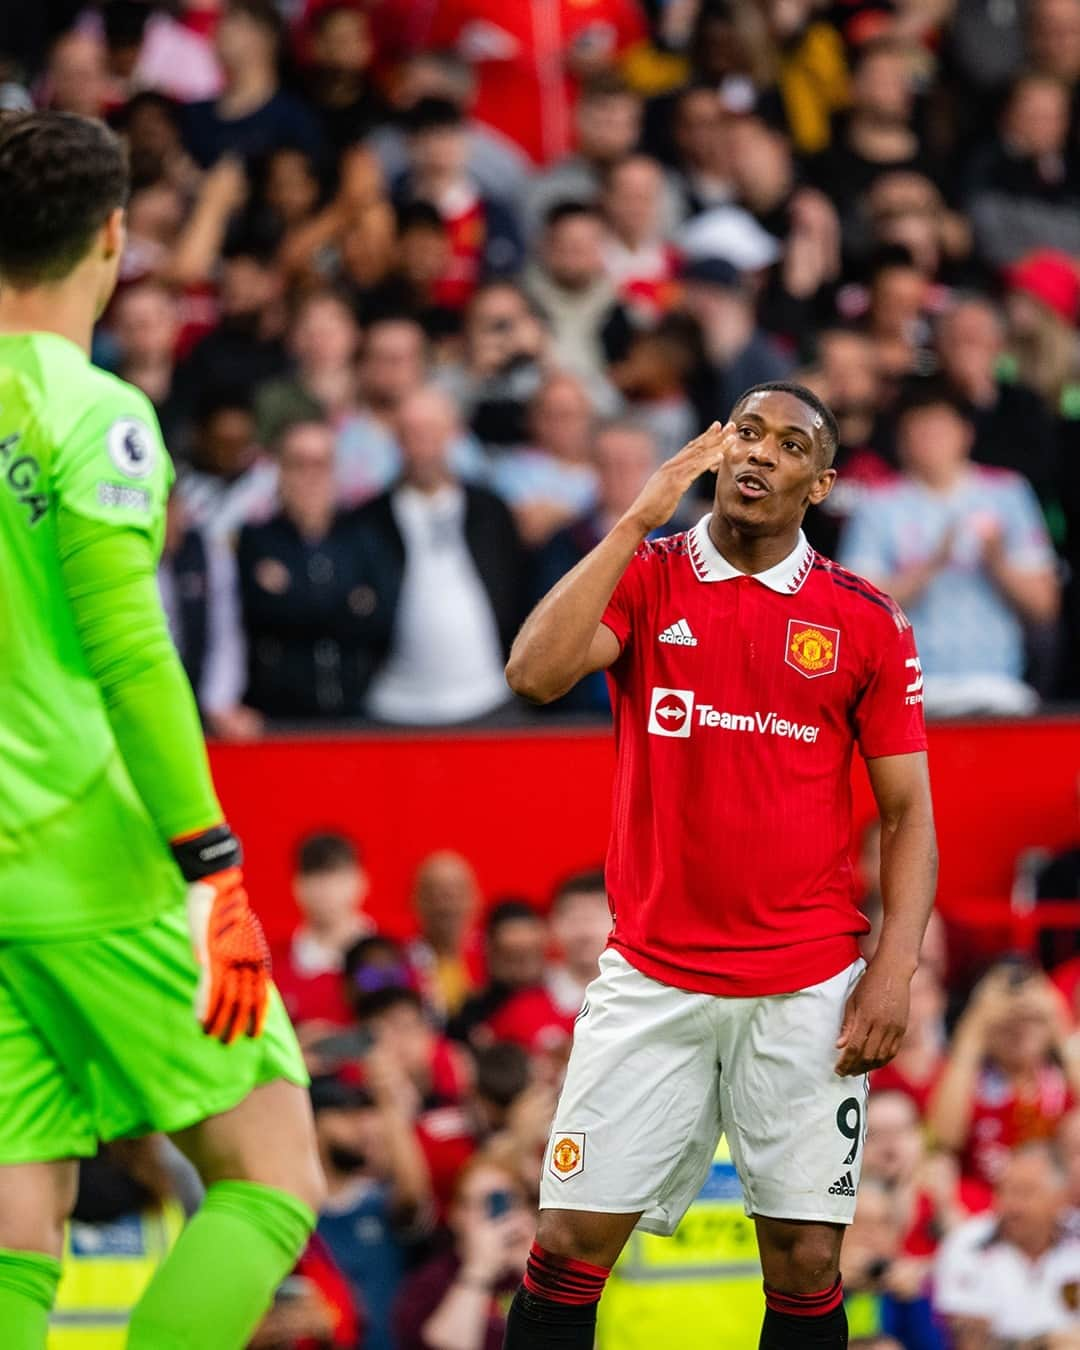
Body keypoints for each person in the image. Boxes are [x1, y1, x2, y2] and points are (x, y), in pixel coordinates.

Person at [504, 382, 937, 1350]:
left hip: (807, 987)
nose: (759, 455)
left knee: (806, 1259)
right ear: (715, 446)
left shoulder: (864, 620)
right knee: (569, 1241)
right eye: (746, 433)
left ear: (819, 483)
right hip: (652, 972)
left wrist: (895, 969)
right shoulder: (649, 576)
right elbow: (533, 673)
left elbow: (908, 812)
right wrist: (633, 518)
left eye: (789, 446)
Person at [0, 112, 323, 1348]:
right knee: (270, 1175)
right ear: (114, 237)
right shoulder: (101, 417)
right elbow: (134, 659)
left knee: (18, 1227)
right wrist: (210, 863)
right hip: (97, 863)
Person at [839, 381, 1060, 716]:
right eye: (919, 429)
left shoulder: (1008, 493)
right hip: (907, 692)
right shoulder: (877, 503)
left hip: (997, 687)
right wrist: (931, 564)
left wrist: (998, 562)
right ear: (901, 439)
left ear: (965, 433)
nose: (930, 439)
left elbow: (1044, 606)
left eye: (940, 428)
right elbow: (854, 611)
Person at [357, 385, 527, 727]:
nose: (421, 447)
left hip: (488, 698)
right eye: (411, 434)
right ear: (396, 439)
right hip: (394, 705)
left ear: (453, 435)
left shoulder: (491, 511)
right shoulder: (368, 520)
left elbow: (517, 589)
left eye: (431, 432)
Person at [237, 420, 380, 721]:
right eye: (298, 464)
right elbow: (258, 613)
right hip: (277, 718)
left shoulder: (361, 536)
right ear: (280, 471)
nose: (310, 477)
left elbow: (378, 619)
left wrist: (293, 595)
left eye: (320, 465)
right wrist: (344, 603)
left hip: (355, 715)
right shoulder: (257, 539)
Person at [927, 961, 1080, 1188]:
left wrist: (1057, 1021)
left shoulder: (1063, 1077)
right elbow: (943, 1140)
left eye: (1031, 1020)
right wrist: (973, 1031)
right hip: (982, 1206)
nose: (1020, 1030)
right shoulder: (963, 1077)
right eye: (1007, 1022)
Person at [934, 1143, 1080, 1345]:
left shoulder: (1075, 1241)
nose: (1011, 1205)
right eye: (1004, 1191)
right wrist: (1046, 1343)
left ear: (1059, 1198)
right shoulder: (969, 1242)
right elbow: (970, 1343)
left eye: (1025, 1193)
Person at [394, 1150, 536, 1350]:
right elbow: (446, 1344)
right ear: (456, 1215)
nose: (498, 1218)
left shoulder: (535, 1274)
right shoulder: (429, 1283)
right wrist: (479, 1270)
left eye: (507, 1202)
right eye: (486, 1203)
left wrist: (536, 1272)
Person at [271, 833, 373, 1033]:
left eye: (337, 876)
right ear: (297, 886)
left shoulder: (389, 956)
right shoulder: (272, 966)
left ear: (361, 881)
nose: (326, 889)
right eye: (315, 877)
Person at [408, 850, 484, 1021]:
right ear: (415, 901)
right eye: (435, 894)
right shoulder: (396, 958)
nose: (446, 906)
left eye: (456, 893)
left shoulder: (495, 957)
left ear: (477, 899)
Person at [545, 871, 612, 1018]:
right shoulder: (525, 996)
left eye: (595, 917)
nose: (584, 931)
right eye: (573, 918)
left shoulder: (636, 991)